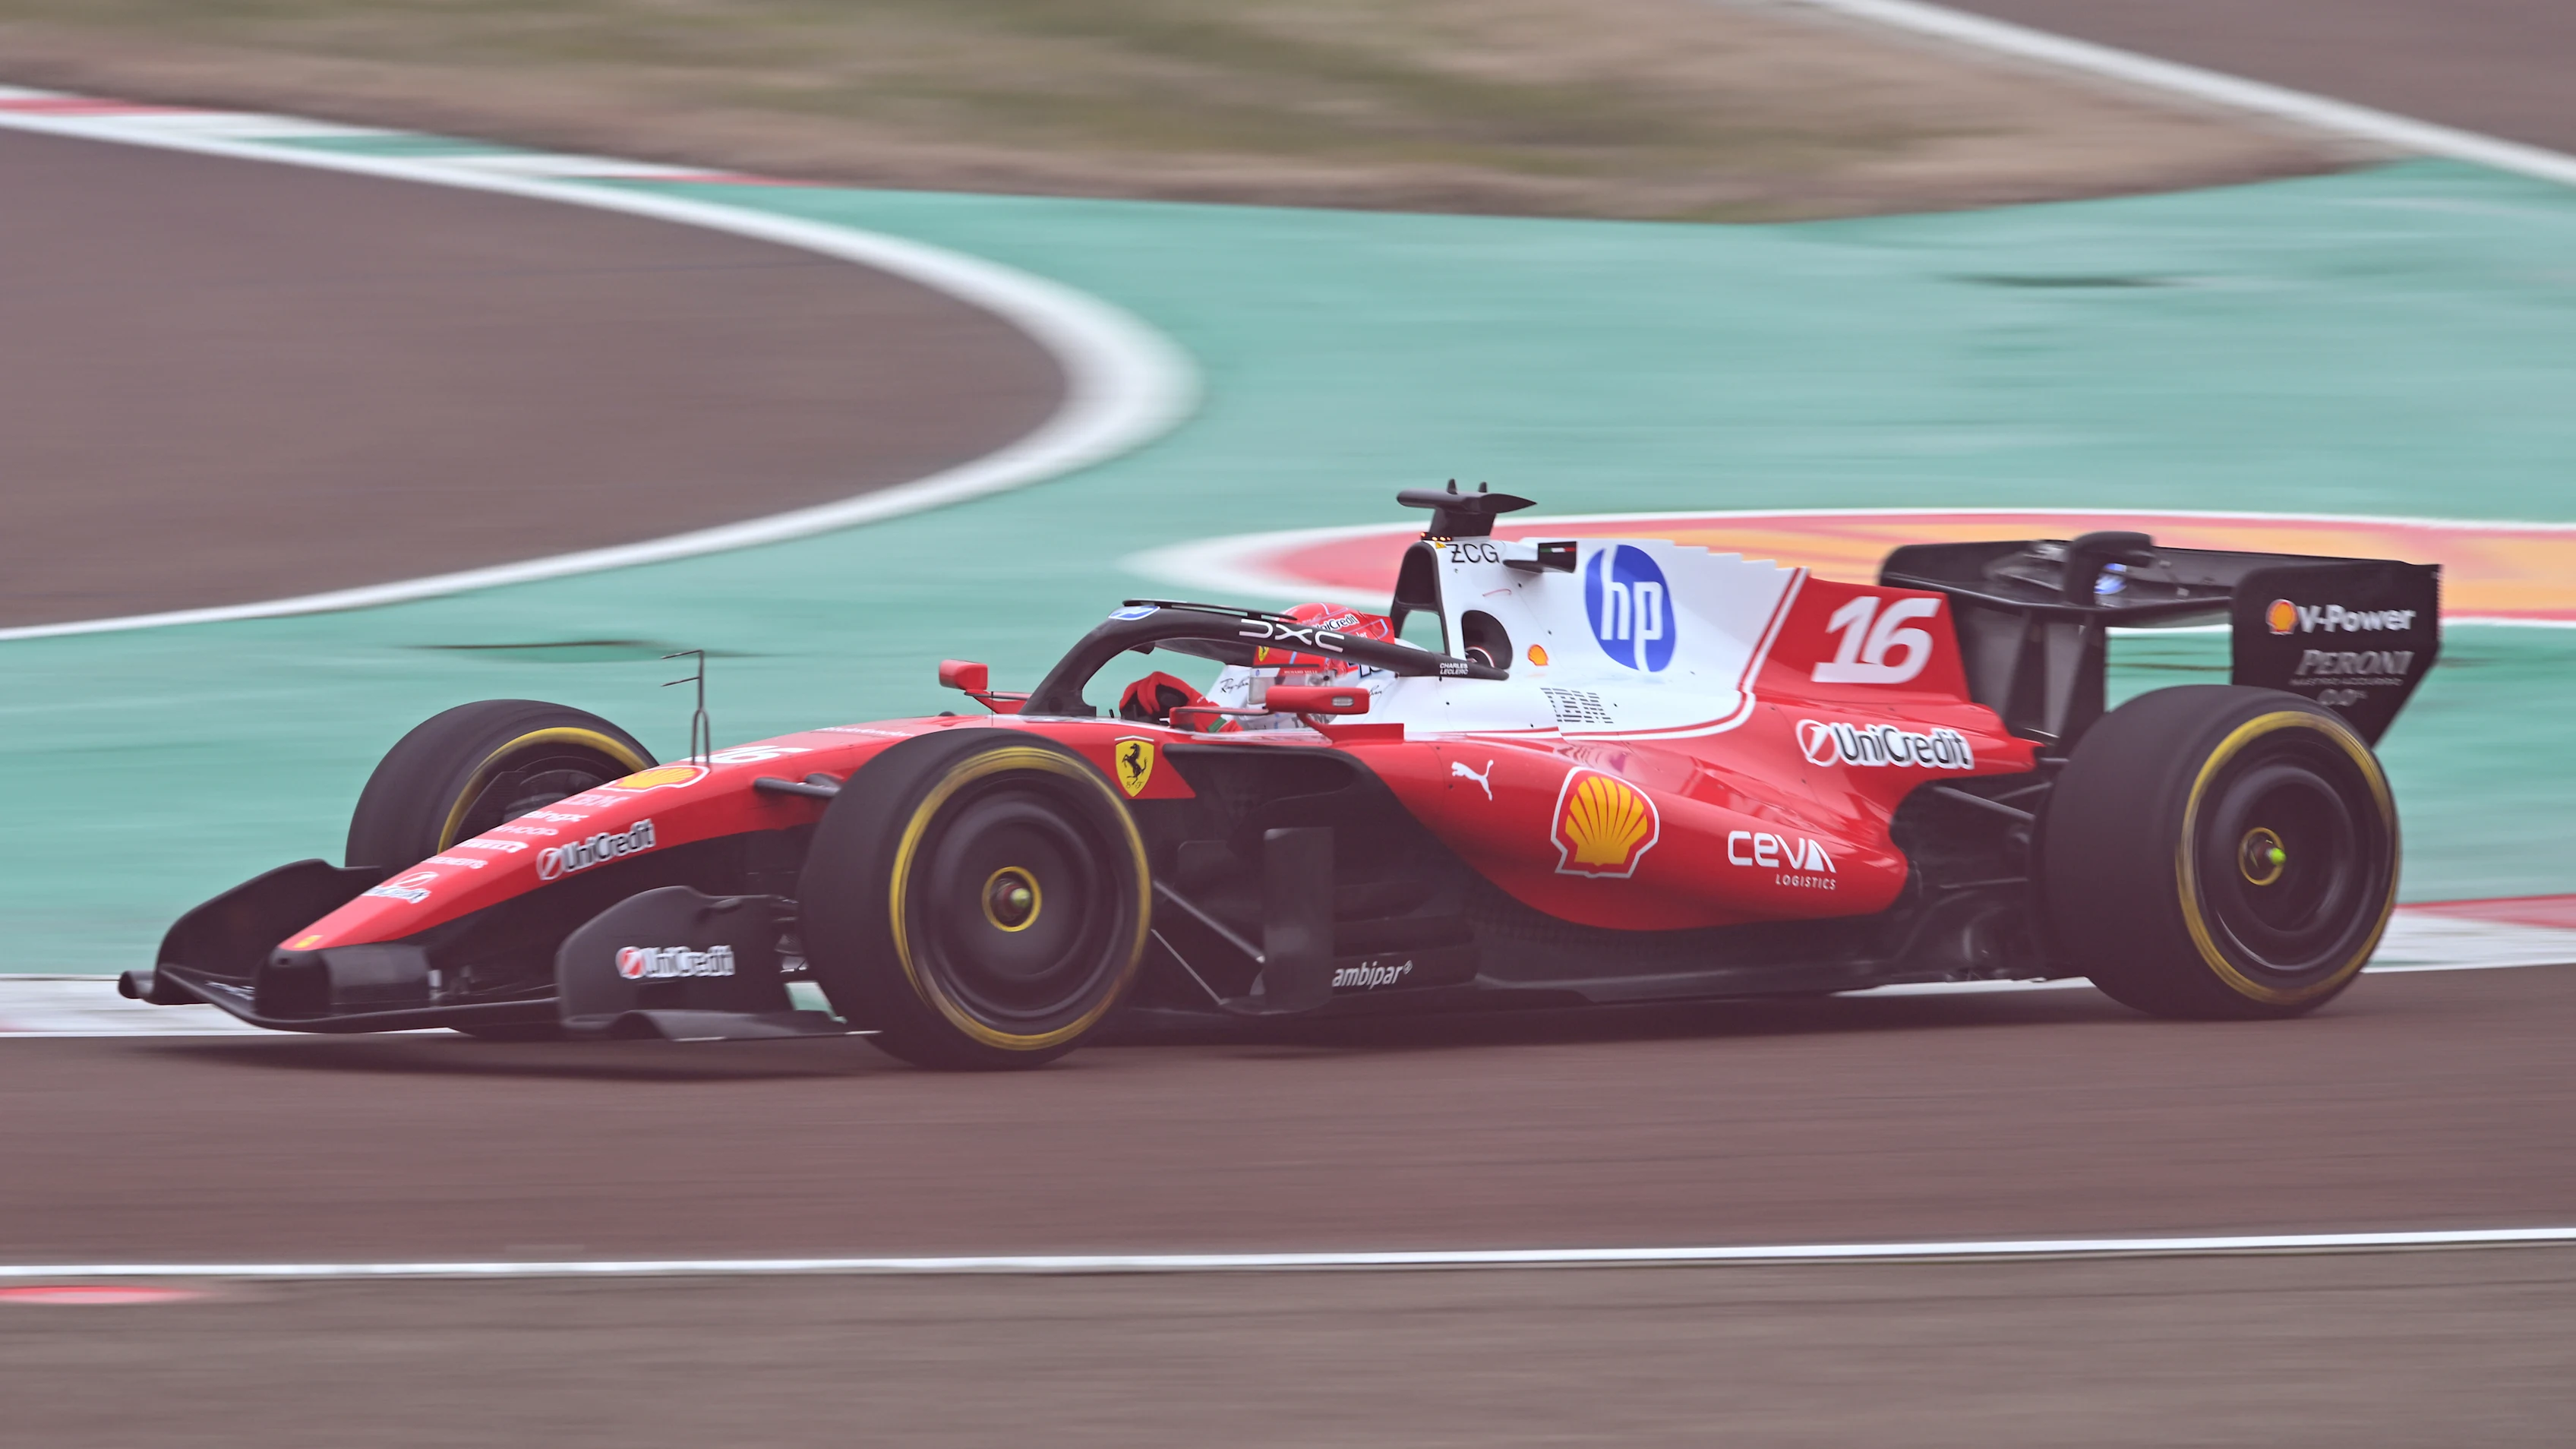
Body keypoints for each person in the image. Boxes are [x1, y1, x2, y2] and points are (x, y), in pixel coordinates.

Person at [1118, 602, 1397, 731]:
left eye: (1285, 683)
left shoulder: (1400, 713)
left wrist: (1218, 730)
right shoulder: (1245, 680)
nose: (1268, 695)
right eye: (1267, 680)